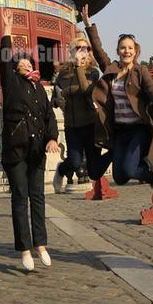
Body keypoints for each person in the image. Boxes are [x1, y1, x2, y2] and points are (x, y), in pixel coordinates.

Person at [81, 4, 153, 199]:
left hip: (139, 129)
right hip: (121, 131)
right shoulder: (111, 69)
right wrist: (88, 24)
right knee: (119, 176)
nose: (126, 51)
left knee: (127, 169)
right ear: (118, 51)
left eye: (130, 48)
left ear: (135, 51)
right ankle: (146, 166)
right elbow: (98, 50)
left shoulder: (140, 71)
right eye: (122, 48)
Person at [0, 10, 60, 271]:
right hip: (15, 150)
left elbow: (49, 117)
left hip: (37, 151)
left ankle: (41, 245)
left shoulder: (38, 88)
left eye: (28, 63)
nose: (25, 65)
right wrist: (6, 32)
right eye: (20, 63)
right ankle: (24, 249)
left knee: (38, 197)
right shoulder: (11, 83)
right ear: (15, 68)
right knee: (19, 196)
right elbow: (4, 60)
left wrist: (53, 138)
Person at [51, 34, 104, 193]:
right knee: (74, 162)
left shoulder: (93, 72)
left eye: (85, 49)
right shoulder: (62, 74)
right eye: (78, 48)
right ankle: (61, 169)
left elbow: (87, 91)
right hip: (72, 125)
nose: (82, 51)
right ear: (72, 52)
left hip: (90, 123)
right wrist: (57, 101)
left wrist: (80, 68)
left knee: (93, 166)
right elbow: (55, 97)